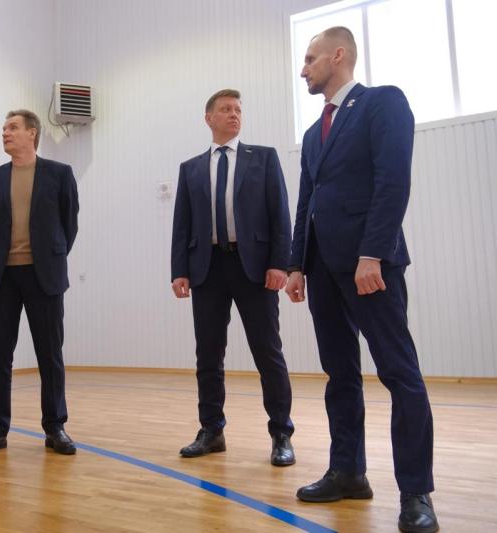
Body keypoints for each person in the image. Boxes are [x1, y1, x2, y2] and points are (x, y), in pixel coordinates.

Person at [285, 27, 438, 533]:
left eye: (310, 59)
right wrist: (296, 265)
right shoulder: (313, 134)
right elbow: (306, 202)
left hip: (369, 266)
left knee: (399, 372)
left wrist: (373, 253)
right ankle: (348, 472)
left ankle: (416, 492)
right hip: (323, 271)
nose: (304, 69)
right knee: (340, 375)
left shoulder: (382, 103)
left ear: (338, 55)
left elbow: (393, 181)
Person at [170, 89, 295, 465]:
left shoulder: (264, 158)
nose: (234, 114)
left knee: (267, 352)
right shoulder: (191, 168)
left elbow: (280, 214)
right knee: (208, 354)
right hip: (207, 269)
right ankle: (211, 430)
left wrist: (280, 263)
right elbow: (182, 224)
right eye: (225, 109)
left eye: (238, 109)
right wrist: (179, 270)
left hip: (254, 267)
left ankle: (281, 433)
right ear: (208, 118)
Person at [0, 109, 79, 457]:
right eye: (4, 128)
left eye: (13, 127)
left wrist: (49, 256)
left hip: (44, 276)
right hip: (2, 277)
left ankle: (55, 427)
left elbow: (69, 224)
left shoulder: (59, 174)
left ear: (32, 133)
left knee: (50, 355)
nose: (6, 132)